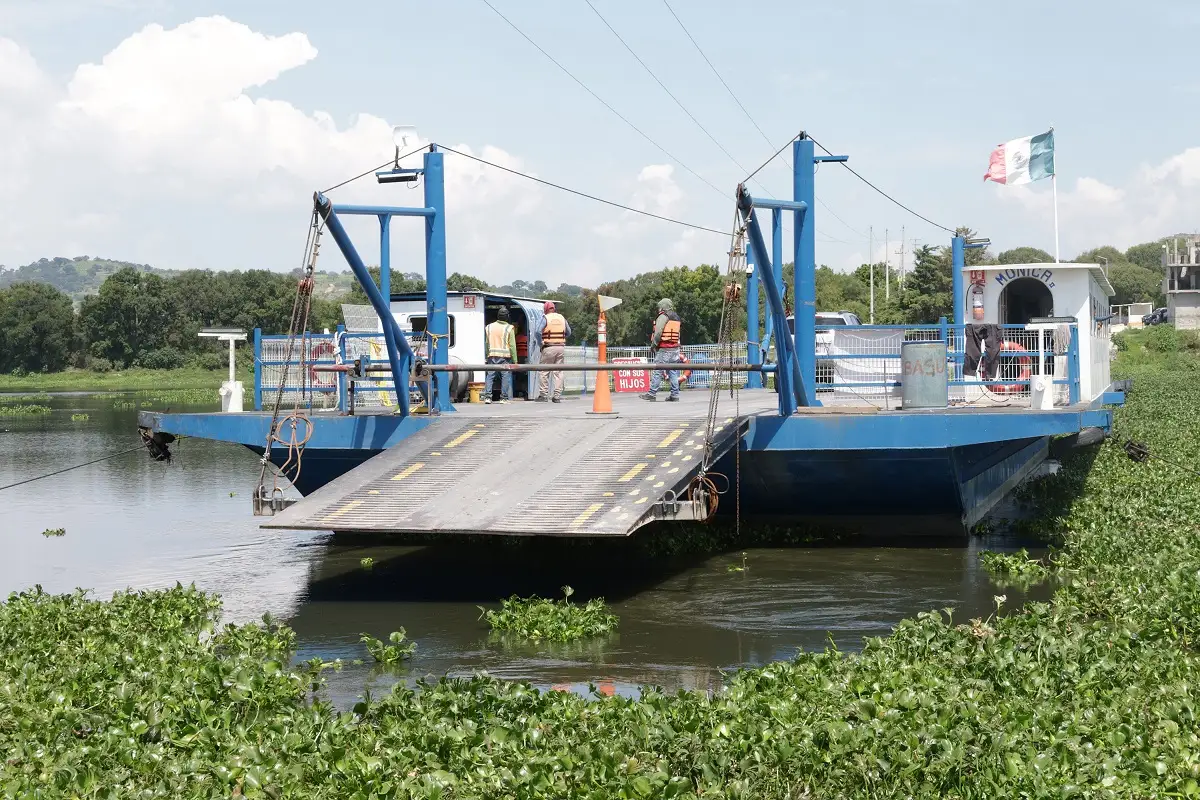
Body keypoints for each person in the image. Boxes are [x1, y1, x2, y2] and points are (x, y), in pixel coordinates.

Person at [641, 298, 683, 402]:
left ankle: (652, 393)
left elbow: (658, 332)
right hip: (675, 348)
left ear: (663, 307)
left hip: (664, 348)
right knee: (673, 372)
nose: (658, 309)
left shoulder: (663, 317)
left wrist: (653, 345)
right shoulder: (676, 317)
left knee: (658, 370)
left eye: (659, 307)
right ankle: (675, 395)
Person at [537, 300, 571, 403]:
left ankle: (543, 395)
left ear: (546, 309)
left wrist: (540, 343)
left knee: (544, 371)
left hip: (548, 347)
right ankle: (557, 396)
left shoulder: (545, 318)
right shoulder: (562, 318)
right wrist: (560, 337)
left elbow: (537, 331)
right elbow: (569, 332)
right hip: (560, 347)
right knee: (559, 372)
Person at [483, 306, 517, 404]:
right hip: (505, 356)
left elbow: (486, 343)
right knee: (505, 376)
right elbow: (512, 346)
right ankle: (504, 398)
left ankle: (488, 397)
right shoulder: (509, 328)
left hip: (492, 355)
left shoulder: (489, 327)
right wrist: (515, 360)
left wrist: (487, 355)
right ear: (507, 317)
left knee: (490, 376)